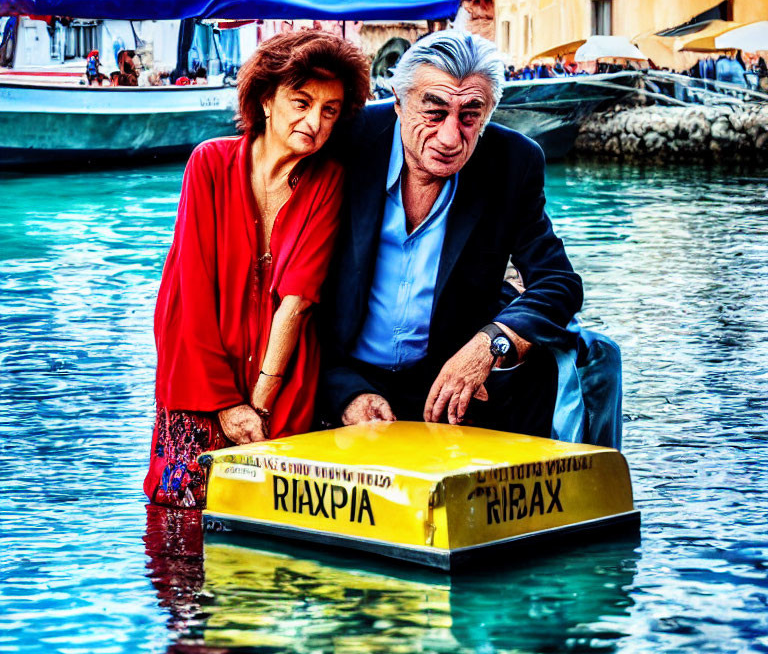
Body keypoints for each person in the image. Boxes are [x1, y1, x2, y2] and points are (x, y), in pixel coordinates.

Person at [320, 30, 616, 445]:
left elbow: (558, 282)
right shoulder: (344, 140)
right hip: (342, 372)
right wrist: (342, 390)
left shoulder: (513, 162)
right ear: (399, 103)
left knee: (562, 363)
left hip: (447, 381)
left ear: (490, 111)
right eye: (435, 112)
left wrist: (489, 344)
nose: (450, 137)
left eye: (470, 115)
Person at [144, 30, 370, 508]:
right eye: (302, 102)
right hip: (199, 382)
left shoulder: (328, 181)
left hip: (282, 386)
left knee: (272, 525)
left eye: (329, 111)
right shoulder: (209, 162)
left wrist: (259, 404)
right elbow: (192, 291)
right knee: (181, 521)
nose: (314, 121)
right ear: (267, 99)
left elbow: (297, 301)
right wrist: (226, 401)